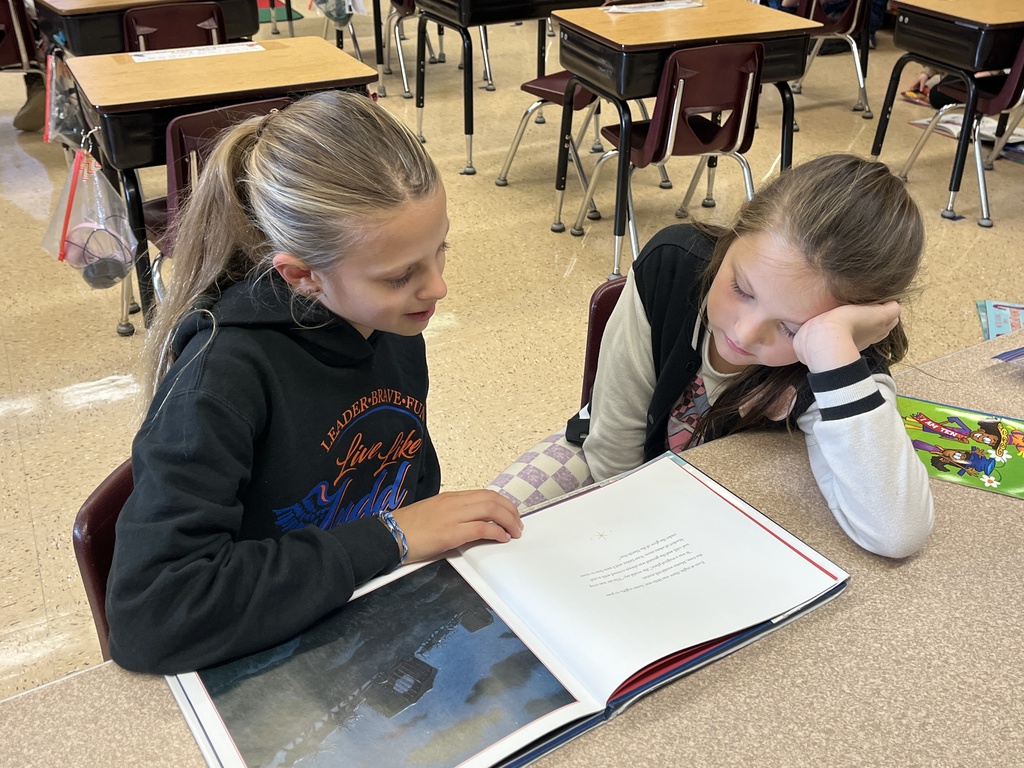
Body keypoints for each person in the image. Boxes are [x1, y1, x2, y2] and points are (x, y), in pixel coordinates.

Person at [105, 91, 523, 675]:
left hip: (370, 614)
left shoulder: (390, 320)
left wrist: (406, 534)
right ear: (302, 275)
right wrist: (389, 539)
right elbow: (152, 618)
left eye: (440, 250)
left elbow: (405, 479)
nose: (437, 289)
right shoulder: (220, 380)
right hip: (271, 655)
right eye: (402, 274)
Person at [490, 154, 933, 561]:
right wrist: (624, 537)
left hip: (721, 502)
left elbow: (897, 532)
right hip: (610, 458)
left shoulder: (840, 366)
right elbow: (613, 445)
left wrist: (832, 349)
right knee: (481, 533)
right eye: (742, 290)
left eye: (794, 329)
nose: (744, 332)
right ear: (735, 236)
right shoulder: (673, 263)